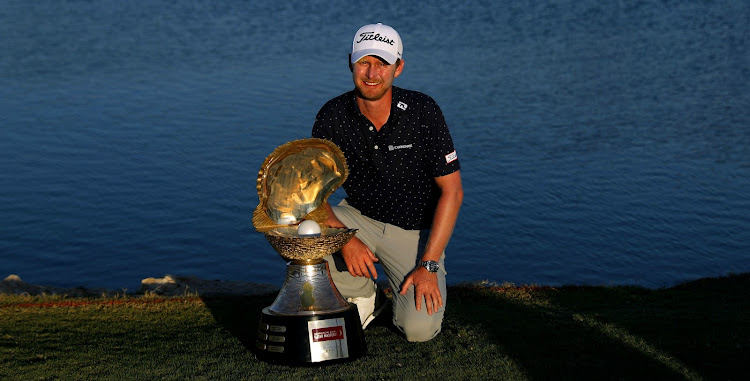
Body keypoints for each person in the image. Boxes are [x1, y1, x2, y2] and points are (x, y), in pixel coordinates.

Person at [312, 23, 463, 342]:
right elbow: (314, 192)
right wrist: (345, 238)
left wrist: (430, 265)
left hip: (413, 233)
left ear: (399, 68)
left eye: (382, 63)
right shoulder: (332, 115)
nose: (372, 72)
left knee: (418, 330)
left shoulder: (423, 111)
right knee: (298, 225)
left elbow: (452, 191)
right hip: (357, 218)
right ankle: (365, 295)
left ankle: (393, 299)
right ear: (350, 62)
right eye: (364, 62)